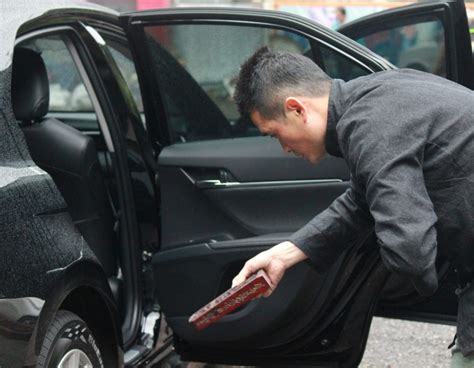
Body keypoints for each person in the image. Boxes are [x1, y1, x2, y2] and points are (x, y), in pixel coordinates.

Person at [231, 47, 474, 366]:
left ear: (296, 109)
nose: (284, 148)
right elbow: (361, 200)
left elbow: (411, 252)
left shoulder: (371, 127)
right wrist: (282, 255)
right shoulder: (375, 99)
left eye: (275, 134)